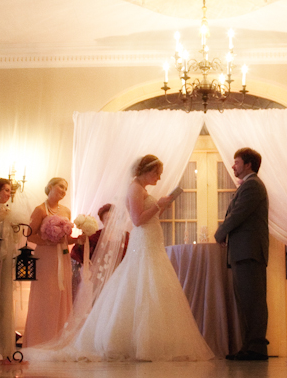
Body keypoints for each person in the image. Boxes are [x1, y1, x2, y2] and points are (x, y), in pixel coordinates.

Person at [23, 155, 212, 361]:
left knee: (151, 283)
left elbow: (146, 216)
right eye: (156, 173)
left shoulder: (141, 189)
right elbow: (137, 219)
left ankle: (155, 340)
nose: (158, 178)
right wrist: (158, 205)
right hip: (144, 240)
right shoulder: (134, 188)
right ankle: (136, 341)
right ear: (146, 171)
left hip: (151, 239)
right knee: (142, 282)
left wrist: (161, 206)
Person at [214, 147, 270, 361]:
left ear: (248, 164)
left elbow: (238, 214)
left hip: (249, 252)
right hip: (243, 251)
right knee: (246, 301)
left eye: (236, 162)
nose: (233, 166)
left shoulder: (252, 185)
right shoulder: (248, 185)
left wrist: (220, 233)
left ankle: (256, 348)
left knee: (253, 301)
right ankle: (249, 346)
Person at [23, 176, 74, 346]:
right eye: (61, 186)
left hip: (62, 256)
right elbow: (29, 235)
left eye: (65, 189)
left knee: (61, 294)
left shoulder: (66, 211)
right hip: (46, 258)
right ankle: (40, 339)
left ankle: (59, 338)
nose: (64, 191)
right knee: (46, 295)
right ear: (50, 186)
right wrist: (48, 241)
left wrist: (79, 240)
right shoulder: (40, 210)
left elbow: (67, 239)